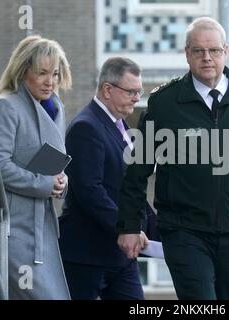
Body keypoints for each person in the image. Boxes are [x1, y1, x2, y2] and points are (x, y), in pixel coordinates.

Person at [117, 17, 229, 300]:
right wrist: (129, 225)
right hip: (183, 230)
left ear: (226, 51)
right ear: (186, 54)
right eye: (198, 51)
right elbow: (137, 170)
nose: (207, 58)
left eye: (214, 50)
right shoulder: (165, 104)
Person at [0, 35, 72, 299]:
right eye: (42, 73)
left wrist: (61, 183)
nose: (50, 81)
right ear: (23, 70)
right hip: (8, 225)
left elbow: (52, 162)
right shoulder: (6, 106)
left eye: (54, 73)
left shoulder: (53, 108)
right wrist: (44, 184)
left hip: (35, 225)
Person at [59, 57, 152, 300]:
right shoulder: (86, 127)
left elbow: (131, 188)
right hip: (87, 256)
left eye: (138, 91)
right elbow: (90, 190)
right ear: (107, 90)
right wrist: (126, 227)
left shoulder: (120, 126)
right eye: (131, 91)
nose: (136, 97)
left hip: (121, 256)